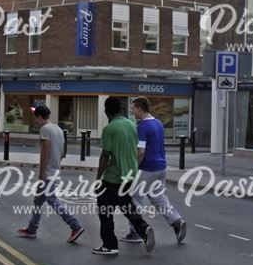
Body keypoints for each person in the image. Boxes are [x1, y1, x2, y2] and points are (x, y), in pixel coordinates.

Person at [93, 97, 153, 256]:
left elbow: (105, 156)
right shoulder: (131, 124)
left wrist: (98, 179)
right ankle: (144, 229)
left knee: (104, 209)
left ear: (106, 111)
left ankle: (109, 244)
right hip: (131, 174)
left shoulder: (109, 129)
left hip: (114, 176)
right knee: (126, 206)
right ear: (121, 110)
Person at [16, 105, 85, 243]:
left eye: (35, 117)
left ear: (40, 116)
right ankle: (32, 228)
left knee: (52, 200)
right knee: (38, 201)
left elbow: (45, 152)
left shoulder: (45, 130)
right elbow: (63, 151)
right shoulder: (57, 129)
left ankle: (75, 225)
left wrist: (42, 173)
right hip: (55, 168)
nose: (34, 120)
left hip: (48, 171)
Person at [121, 97, 186, 244]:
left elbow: (141, 151)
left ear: (139, 108)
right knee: (158, 197)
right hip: (161, 166)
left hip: (147, 167)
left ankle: (135, 231)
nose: (132, 111)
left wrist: (134, 167)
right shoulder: (158, 123)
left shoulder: (142, 127)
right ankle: (176, 221)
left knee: (134, 198)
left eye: (133, 108)